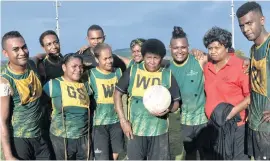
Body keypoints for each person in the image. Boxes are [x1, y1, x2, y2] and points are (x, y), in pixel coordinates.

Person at [114, 38, 181, 160]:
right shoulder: (133, 71)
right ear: (143, 56)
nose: (152, 62)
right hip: (135, 131)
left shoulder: (167, 75)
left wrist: (169, 108)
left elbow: (176, 102)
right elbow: (117, 94)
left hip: (159, 132)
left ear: (161, 58)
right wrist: (123, 121)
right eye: (149, 57)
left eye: (156, 58)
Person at [0, 31, 51, 160]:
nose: (22, 52)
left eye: (24, 47)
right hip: (21, 141)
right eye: (16, 49)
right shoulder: (5, 81)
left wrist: (51, 53)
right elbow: (2, 120)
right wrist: (8, 155)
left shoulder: (31, 64)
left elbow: (39, 56)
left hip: (41, 136)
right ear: (5, 53)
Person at [203, 27, 250, 159]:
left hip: (236, 127)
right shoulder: (207, 67)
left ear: (226, 46)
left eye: (217, 47)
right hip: (215, 127)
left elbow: (250, 97)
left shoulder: (240, 66)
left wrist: (232, 113)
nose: (213, 51)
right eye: (210, 48)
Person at [166, 26, 208, 160]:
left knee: (207, 155)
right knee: (189, 154)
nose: (180, 51)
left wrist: (246, 62)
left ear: (188, 47)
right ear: (170, 48)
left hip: (205, 120)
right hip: (185, 122)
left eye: (183, 47)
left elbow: (223, 56)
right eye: (176, 48)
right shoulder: (168, 71)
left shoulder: (199, 60)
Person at [237, 1, 270, 160]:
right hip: (255, 125)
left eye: (249, 23)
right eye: (242, 26)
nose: (245, 29)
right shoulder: (253, 49)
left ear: (262, 20)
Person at [43, 53, 92, 160]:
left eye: (80, 66)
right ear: (64, 67)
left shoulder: (85, 85)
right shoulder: (53, 85)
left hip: (83, 137)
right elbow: (41, 104)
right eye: (74, 66)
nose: (78, 70)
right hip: (62, 139)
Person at [89, 43, 124, 160]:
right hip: (99, 124)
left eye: (110, 57)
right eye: (105, 59)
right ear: (96, 59)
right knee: (102, 157)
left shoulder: (118, 72)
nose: (109, 61)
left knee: (115, 155)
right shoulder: (91, 74)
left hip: (116, 122)